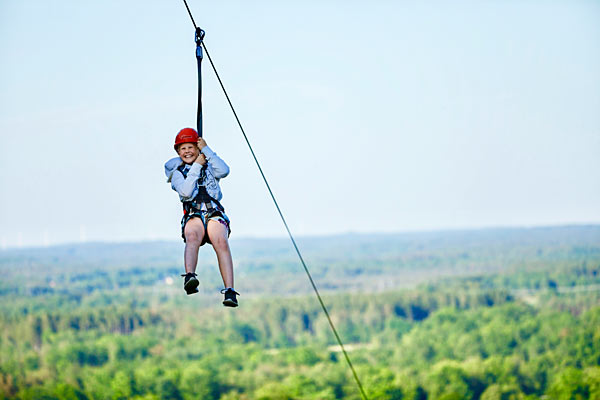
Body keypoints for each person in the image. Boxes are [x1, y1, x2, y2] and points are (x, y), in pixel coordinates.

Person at [164, 128, 239, 307]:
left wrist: (206, 151)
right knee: (192, 237)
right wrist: (196, 165)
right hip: (194, 214)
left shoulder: (210, 165)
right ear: (177, 152)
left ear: (198, 148)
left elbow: (225, 170)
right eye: (183, 148)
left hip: (213, 212)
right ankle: (190, 276)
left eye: (191, 147)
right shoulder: (176, 172)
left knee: (221, 241)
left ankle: (229, 290)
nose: (188, 151)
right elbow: (186, 191)